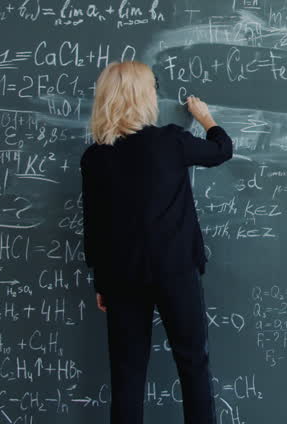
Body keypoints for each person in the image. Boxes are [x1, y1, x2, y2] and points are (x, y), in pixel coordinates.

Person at [80, 60, 233, 424]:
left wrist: (102, 282)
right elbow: (221, 150)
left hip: (121, 277)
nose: (155, 92)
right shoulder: (169, 142)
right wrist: (206, 117)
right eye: (152, 86)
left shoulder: (96, 157)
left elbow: (95, 225)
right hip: (175, 270)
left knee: (128, 374)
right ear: (141, 95)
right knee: (193, 363)